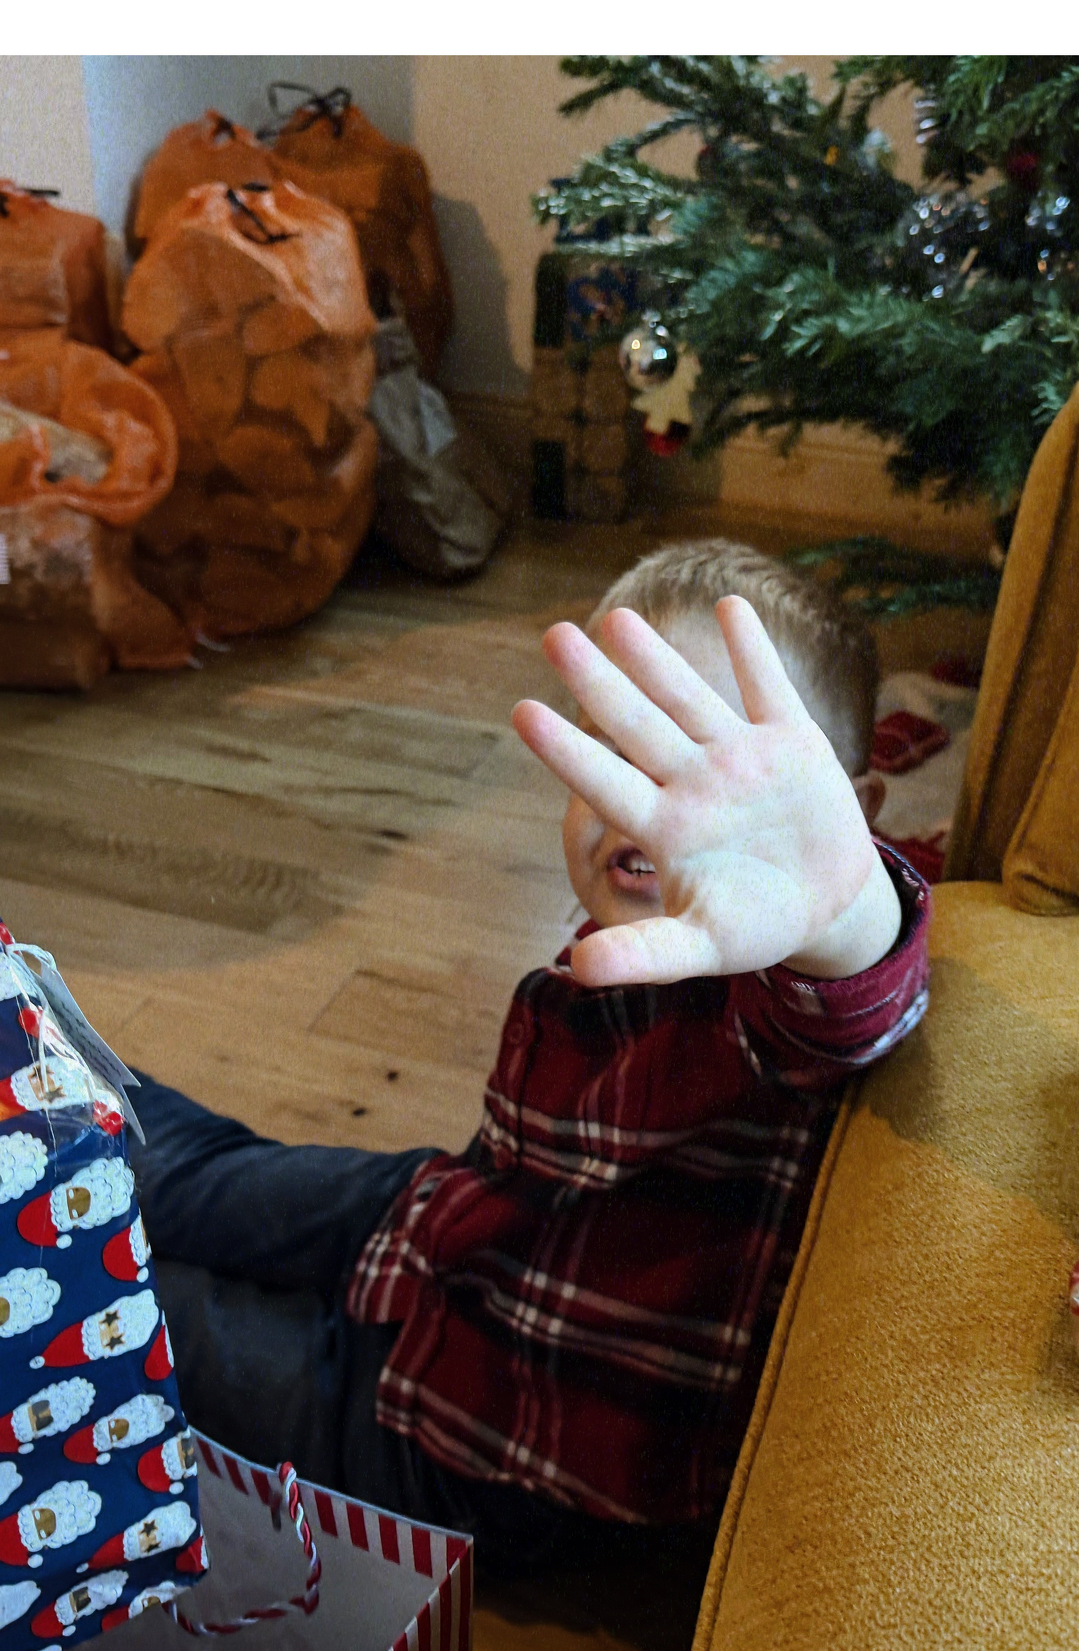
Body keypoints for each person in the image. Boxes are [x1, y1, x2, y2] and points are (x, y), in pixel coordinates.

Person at [132, 540, 930, 1569]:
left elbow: (858, 1000)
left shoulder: (777, 994)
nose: (656, 802)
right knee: (187, 1172)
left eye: (710, 764)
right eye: (616, 751)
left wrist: (841, 902)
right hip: (461, 1224)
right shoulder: (621, 937)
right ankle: (14, 1072)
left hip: (483, 1434)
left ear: (844, 823)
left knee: (143, 1312)